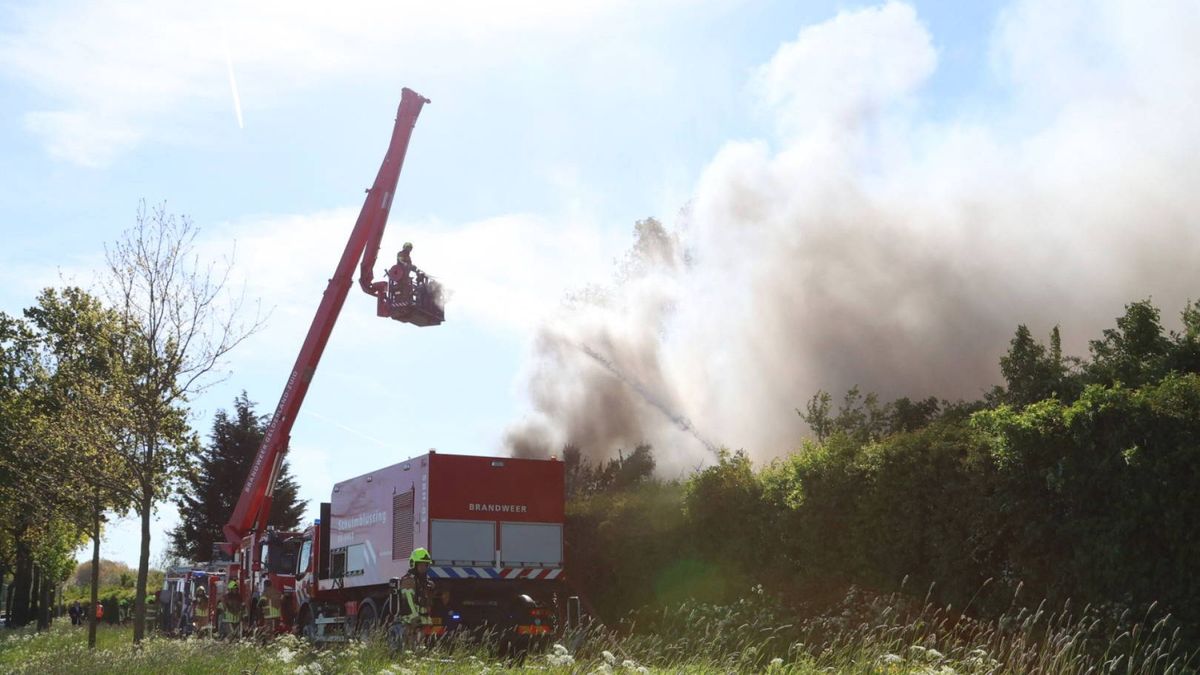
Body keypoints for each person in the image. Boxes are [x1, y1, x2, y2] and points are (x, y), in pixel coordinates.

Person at [396, 547, 436, 648]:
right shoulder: (409, 580)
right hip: (411, 621)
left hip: (422, 620)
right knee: (410, 647)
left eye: (425, 565)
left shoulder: (425, 581)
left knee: (419, 647)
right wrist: (414, 617)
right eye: (421, 564)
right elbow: (408, 600)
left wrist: (432, 589)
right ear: (414, 564)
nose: (423, 567)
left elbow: (427, 600)